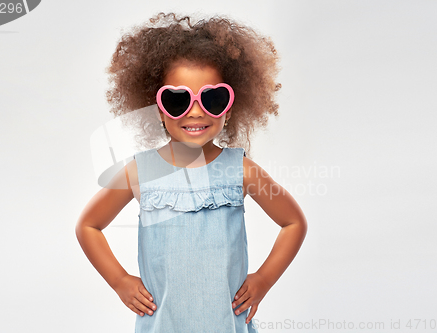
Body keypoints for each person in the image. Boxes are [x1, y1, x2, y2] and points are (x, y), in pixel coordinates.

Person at [76, 12, 307, 333]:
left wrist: (264, 279)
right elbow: (89, 225)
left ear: (229, 108)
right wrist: (120, 281)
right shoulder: (140, 171)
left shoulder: (240, 169)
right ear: (158, 109)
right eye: (177, 100)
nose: (195, 110)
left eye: (212, 98)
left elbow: (293, 222)